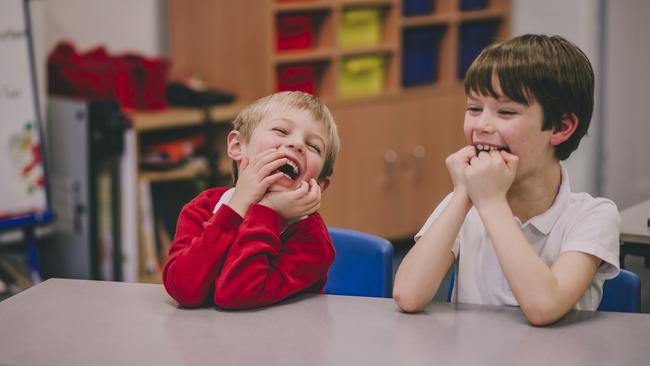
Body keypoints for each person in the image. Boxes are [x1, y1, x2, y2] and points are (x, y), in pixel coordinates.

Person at [393, 34, 620, 325]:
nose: (482, 126)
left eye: (506, 112)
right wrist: (463, 194)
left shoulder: (594, 216)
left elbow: (543, 307)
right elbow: (408, 295)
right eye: (474, 108)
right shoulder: (466, 203)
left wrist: (490, 202)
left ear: (561, 127)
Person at [163, 91, 341, 309]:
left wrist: (268, 212)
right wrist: (236, 207)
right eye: (281, 131)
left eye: (313, 146)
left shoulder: (313, 242)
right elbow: (183, 288)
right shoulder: (203, 208)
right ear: (237, 146)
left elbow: (237, 294)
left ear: (320, 185)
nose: (296, 144)